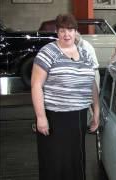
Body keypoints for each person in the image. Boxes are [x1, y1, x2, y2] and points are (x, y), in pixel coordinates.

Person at [31, 14, 99, 180]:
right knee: (54, 162)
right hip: (55, 117)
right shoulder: (48, 52)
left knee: (75, 160)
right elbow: (36, 85)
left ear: (76, 32)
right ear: (57, 32)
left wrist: (96, 112)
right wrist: (41, 117)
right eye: (62, 30)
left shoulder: (85, 53)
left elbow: (92, 84)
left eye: (70, 30)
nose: (66, 34)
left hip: (78, 116)